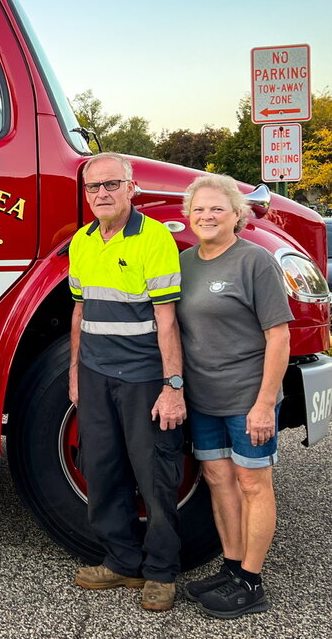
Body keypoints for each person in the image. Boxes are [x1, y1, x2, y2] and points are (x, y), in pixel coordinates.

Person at [68, 152, 186, 611]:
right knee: (102, 469)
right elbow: (79, 311)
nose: (102, 193)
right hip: (96, 376)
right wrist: (76, 372)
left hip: (142, 378)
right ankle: (121, 562)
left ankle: (161, 573)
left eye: (112, 184)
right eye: (94, 187)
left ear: (132, 188)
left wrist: (172, 385)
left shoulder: (153, 238)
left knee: (155, 475)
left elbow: (167, 319)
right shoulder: (82, 241)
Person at [177, 174, 292, 619]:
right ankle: (231, 567)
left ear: (237, 215)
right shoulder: (185, 263)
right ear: (188, 216)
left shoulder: (255, 261)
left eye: (216, 209)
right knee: (219, 481)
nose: (206, 216)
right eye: (199, 209)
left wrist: (265, 403)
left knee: (252, 483)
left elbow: (278, 336)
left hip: (249, 397)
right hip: (204, 399)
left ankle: (252, 580)